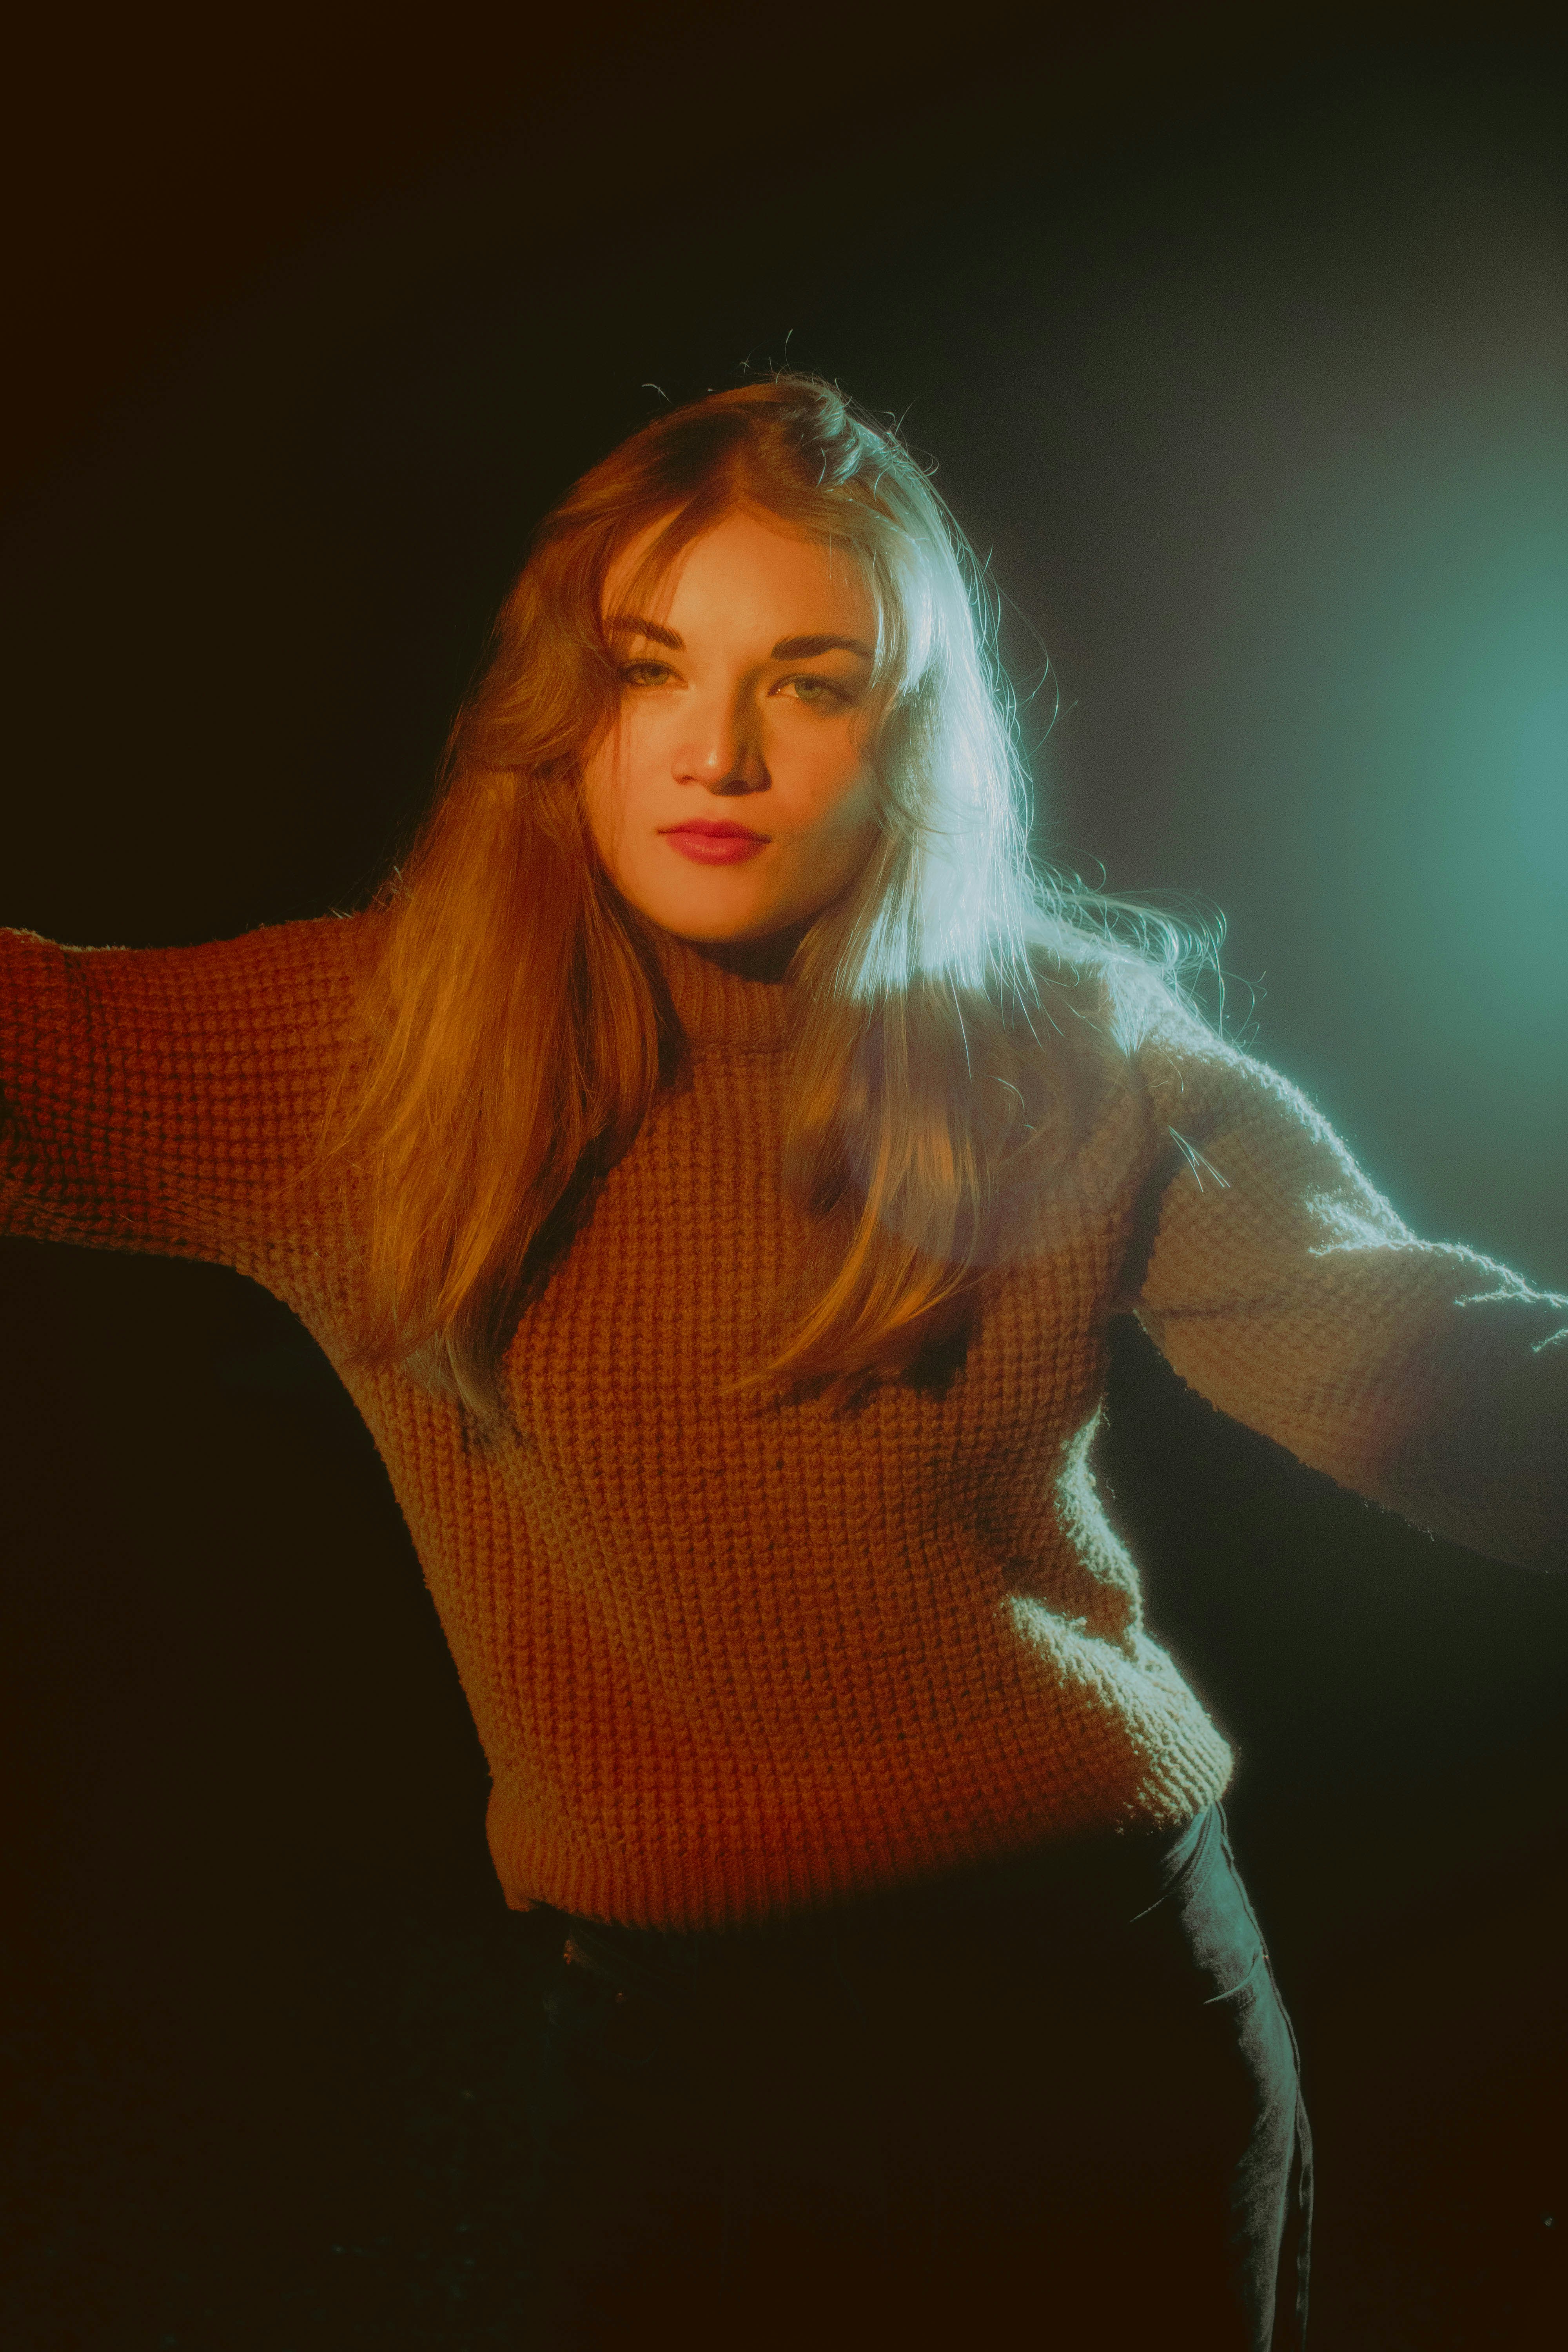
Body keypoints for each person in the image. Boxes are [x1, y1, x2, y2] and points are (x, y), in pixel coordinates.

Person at [1, 374, 1562, 2350]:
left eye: (810, 682)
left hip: (1092, 2007)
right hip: (668, 2065)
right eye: (655, 665)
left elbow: (1432, 1370)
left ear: (904, 737)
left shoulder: (1060, 1049)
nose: (716, 749)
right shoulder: (364, 1058)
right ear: (569, 698)